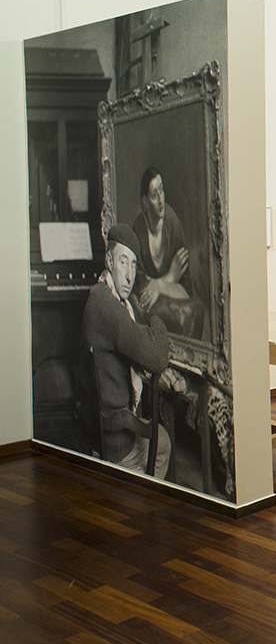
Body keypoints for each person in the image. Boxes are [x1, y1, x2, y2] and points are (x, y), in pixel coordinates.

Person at [84, 223, 173, 478]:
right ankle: (146, 501)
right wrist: (156, 321)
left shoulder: (104, 296)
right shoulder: (107, 307)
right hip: (115, 444)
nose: (129, 275)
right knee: (163, 442)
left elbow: (138, 339)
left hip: (105, 428)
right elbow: (157, 358)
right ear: (109, 260)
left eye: (134, 265)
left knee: (161, 436)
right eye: (123, 262)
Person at [131, 165, 204, 338]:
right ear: (145, 202)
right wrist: (169, 279)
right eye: (154, 195)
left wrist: (159, 285)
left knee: (191, 312)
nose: (161, 200)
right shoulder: (139, 230)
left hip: (174, 304)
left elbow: (186, 292)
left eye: (162, 191)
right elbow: (143, 291)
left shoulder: (172, 224)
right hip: (149, 307)